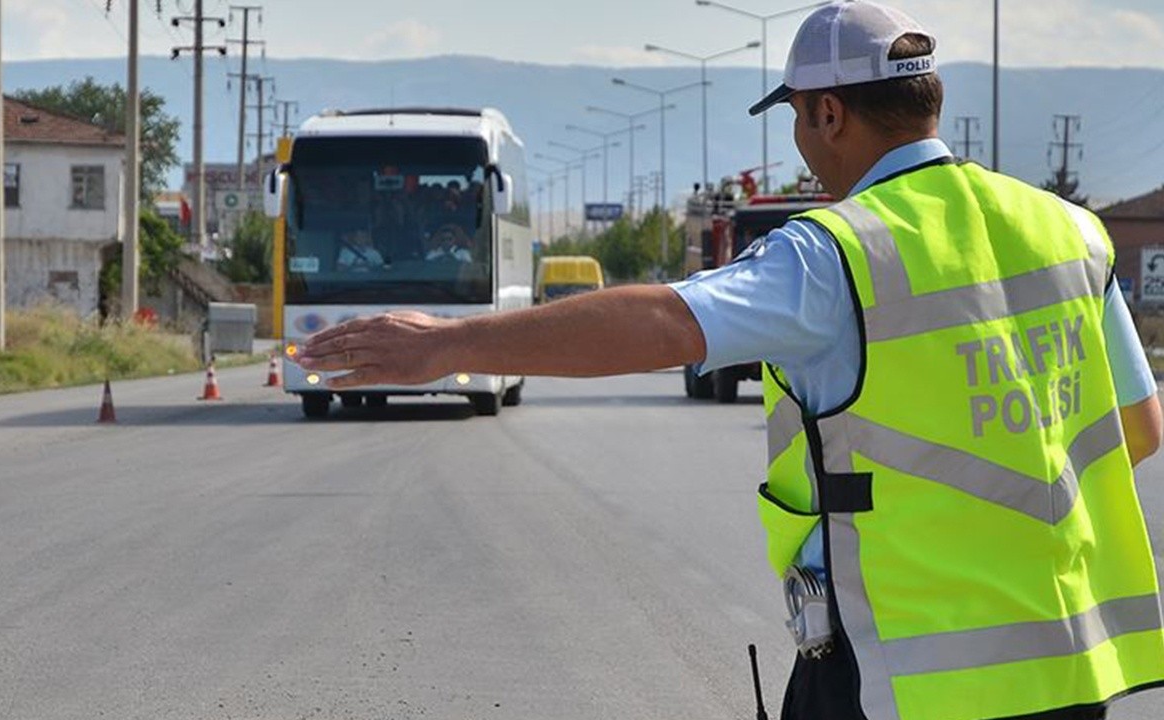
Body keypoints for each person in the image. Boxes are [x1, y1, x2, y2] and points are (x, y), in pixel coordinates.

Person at [294, 3, 1164, 718]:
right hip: (1067, 669)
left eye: (795, 117)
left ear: (829, 112)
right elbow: (1139, 429)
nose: (800, 141)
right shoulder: (1067, 232)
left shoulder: (837, 252)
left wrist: (447, 345)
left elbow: (668, 325)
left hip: (899, 676)